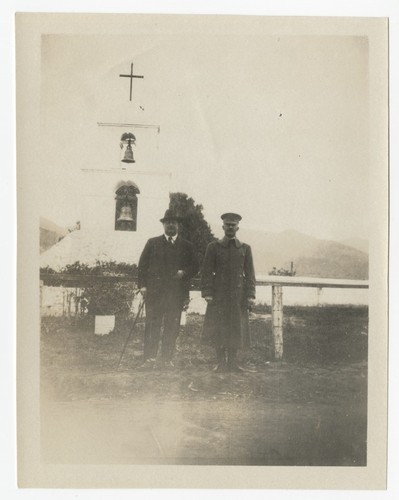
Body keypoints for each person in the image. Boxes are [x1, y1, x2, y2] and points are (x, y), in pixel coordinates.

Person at [138, 209, 199, 369]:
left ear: (178, 225)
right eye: (167, 222)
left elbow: (195, 266)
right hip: (155, 294)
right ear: (163, 225)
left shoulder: (186, 246)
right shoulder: (153, 243)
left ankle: (167, 359)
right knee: (153, 325)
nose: (171, 225)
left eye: (174, 222)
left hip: (175, 294)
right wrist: (143, 286)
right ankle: (149, 359)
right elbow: (142, 266)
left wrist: (184, 272)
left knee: (172, 327)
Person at [201, 213, 256, 372]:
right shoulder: (213, 247)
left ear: (238, 227)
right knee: (219, 328)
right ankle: (220, 363)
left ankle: (232, 363)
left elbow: (250, 274)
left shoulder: (245, 248)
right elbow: (206, 272)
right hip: (218, 297)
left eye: (233, 225)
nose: (230, 227)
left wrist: (250, 294)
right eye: (228, 224)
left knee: (235, 329)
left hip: (237, 297)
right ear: (223, 227)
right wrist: (207, 292)